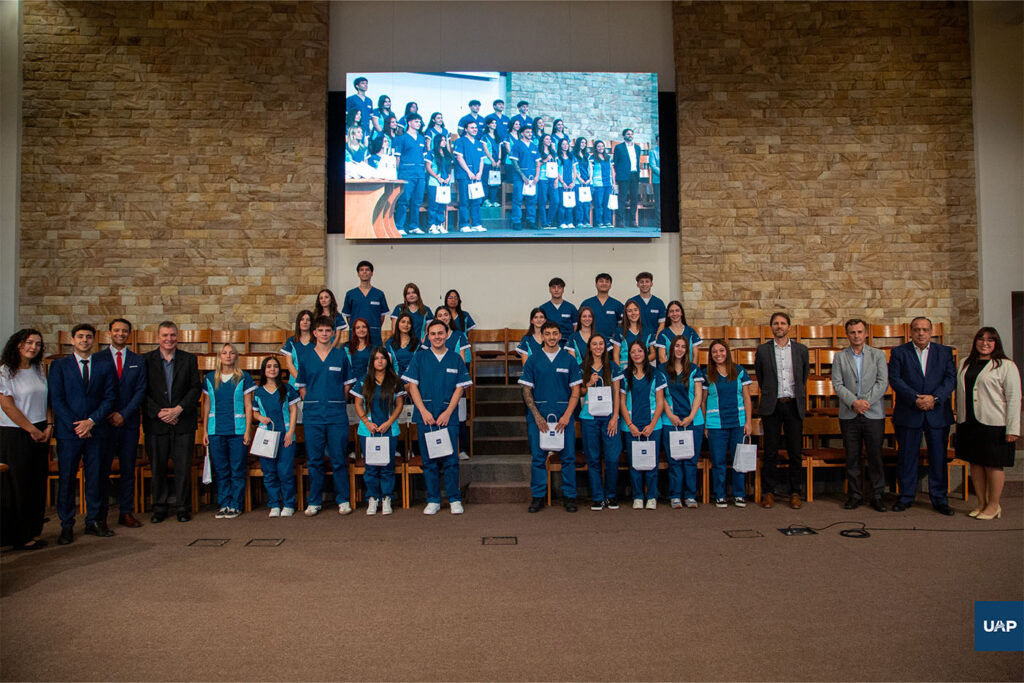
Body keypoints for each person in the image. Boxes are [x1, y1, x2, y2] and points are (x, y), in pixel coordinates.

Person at [49, 324, 117, 544]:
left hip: (96, 431)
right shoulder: (59, 366)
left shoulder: (105, 366)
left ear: (94, 340)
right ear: (72, 340)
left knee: (96, 478)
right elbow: (56, 399)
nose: (84, 340)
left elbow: (109, 398)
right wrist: (77, 426)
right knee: (67, 479)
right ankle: (66, 525)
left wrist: (91, 422)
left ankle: (94, 521)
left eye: (88, 337)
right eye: (80, 336)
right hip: (69, 433)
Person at [402, 319, 472, 515]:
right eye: (433, 334)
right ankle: (433, 499)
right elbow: (412, 386)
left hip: (448, 417)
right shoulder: (420, 357)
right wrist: (423, 411)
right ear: (428, 336)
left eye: (440, 333)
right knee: (429, 460)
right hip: (426, 417)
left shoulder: (455, 359)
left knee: (451, 459)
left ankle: (454, 498)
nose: (437, 337)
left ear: (447, 334)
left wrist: (448, 412)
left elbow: (460, 388)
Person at [888, 316, 957, 515]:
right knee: (907, 457)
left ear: (931, 332)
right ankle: (906, 497)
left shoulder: (944, 352)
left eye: (925, 329)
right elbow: (895, 379)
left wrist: (934, 398)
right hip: (910, 410)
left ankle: (940, 499)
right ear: (910, 332)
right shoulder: (899, 352)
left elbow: (950, 379)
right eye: (917, 329)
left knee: (938, 457)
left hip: (937, 412)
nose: (921, 333)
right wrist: (915, 398)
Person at [955, 327, 1020, 520]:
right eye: (981, 339)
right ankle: (981, 503)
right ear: (975, 341)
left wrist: (1013, 428)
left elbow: (1014, 398)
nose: (985, 343)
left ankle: (994, 505)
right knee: (975, 463)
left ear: (996, 343)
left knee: (993, 465)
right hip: (969, 421)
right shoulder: (964, 363)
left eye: (990, 340)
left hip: (994, 423)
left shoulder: (1006, 366)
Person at [519, 321, 583, 513]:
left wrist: (567, 416)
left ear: (560, 336)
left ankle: (569, 496)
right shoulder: (533, 360)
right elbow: (526, 390)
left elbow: (576, 391)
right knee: (538, 458)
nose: (552, 337)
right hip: (539, 417)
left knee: (568, 457)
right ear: (543, 336)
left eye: (555, 333)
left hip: (564, 417)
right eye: (548, 333)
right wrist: (537, 416)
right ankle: (538, 496)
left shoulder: (569, 360)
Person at [295, 316, 355, 516]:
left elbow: (347, 386)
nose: (324, 334)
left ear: (333, 333)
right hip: (313, 416)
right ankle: (314, 501)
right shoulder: (306, 357)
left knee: (338, 459)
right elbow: (302, 388)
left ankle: (343, 499)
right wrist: (315, 402)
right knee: (314, 460)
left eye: (328, 330)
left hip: (336, 415)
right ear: (314, 333)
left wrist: (336, 401)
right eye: (320, 330)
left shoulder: (340, 356)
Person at [143, 320, 202, 523]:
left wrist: (178, 409)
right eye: (165, 335)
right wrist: (159, 412)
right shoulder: (146, 360)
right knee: (157, 467)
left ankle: (183, 508)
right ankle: (159, 508)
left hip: (182, 421)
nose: (169, 339)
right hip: (156, 423)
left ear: (178, 337)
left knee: (183, 468)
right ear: (158, 337)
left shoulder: (189, 359)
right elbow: (141, 391)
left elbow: (195, 388)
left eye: (173, 335)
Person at [92, 318, 147, 528]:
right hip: (103, 423)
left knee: (127, 470)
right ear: (109, 333)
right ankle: (100, 514)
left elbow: (140, 390)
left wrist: (123, 414)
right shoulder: (97, 359)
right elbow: (94, 390)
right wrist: (107, 414)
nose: (121, 334)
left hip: (128, 422)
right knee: (101, 470)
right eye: (116, 330)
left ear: (129, 334)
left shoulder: (138, 360)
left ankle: (126, 512)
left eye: (124, 331)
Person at [754, 312, 810, 510]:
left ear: (789, 327)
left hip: (793, 404)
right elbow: (761, 377)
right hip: (772, 405)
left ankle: (795, 492)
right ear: (771, 327)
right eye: (776, 323)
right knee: (770, 451)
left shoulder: (801, 350)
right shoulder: (762, 350)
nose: (779, 326)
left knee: (795, 451)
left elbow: (803, 377)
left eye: (783, 323)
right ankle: (769, 492)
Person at [0, 329, 50, 550]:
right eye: (29, 342)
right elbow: (7, 406)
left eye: (37, 344)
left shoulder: (38, 369)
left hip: (40, 430)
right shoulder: (5, 371)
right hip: (15, 432)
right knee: (17, 486)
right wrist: (31, 429)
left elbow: (46, 400)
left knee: (35, 483)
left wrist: (49, 426)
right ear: (18, 344)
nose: (33, 347)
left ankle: (32, 531)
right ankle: (17, 536)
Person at [831, 319, 888, 512]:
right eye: (852, 332)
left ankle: (877, 495)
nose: (856, 335)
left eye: (859, 332)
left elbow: (882, 382)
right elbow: (837, 384)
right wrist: (854, 402)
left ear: (866, 333)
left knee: (875, 456)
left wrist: (865, 402)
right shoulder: (840, 357)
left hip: (873, 413)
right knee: (852, 456)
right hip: (849, 413)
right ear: (847, 334)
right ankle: (855, 495)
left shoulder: (878, 355)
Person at [201, 343, 255, 519]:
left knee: (237, 469)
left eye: (231, 353)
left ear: (236, 356)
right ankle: (224, 503)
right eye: (224, 353)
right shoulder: (210, 378)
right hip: (216, 430)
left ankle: (235, 505)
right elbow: (207, 404)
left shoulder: (244, 377)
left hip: (237, 431)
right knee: (221, 469)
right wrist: (205, 431)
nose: (228, 355)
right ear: (220, 356)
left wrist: (247, 430)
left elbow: (248, 406)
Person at [352, 347, 406, 516]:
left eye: (383, 358)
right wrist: (367, 422)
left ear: (387, 361)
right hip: (368, 431)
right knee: (371, 467)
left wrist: (389, 422)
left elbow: (399, 405)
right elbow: (358, 404)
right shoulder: (363, 381)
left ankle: (387, 497)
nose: (380, 361)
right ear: (372, 362)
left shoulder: (395, 381)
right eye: (376, 358)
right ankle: (373, 498)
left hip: (389, 430)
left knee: (387, 466)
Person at [704, 339, 753, 508]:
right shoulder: (706, 374)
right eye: (714, 352)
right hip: (715, 424)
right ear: (711, 355)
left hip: (738, 422)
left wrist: (748, 422)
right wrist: (705, 424)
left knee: (739, 460)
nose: (718, 354)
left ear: (727, 352)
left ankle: (739, 494)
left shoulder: (739, 371)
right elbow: (703, 401)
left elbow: (746, 398)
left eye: (721, 350)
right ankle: (720, 495)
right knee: (718, 461)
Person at [620, 340, 666, 509]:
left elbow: (660, 402)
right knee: (635, 462)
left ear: (646, 353)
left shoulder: (656, 374)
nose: (636, 354)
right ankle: (638, 496)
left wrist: (652, 425)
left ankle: (652, 496)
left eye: (640, 351)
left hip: (653, 426)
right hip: (631, 426)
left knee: (651, 462)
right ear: (629, 355)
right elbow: (622, 402)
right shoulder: (624, 376)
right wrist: (630, 424)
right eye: (633, 352)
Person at [661, 335, 706, 509]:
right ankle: (675, 495)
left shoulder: (694, 369)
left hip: (693, 421)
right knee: (674, 460)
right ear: (671, 348)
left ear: (687, 350)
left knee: (690, 460)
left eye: (683, 346)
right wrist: (671, 415)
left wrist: (690, 417)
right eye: (677, 346)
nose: (679, 349)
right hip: (670, 421)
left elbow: (699, 396)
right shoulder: (662, 369)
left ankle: (690, 495)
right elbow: (660, 396)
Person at [579, 334, 622, 510]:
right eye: (594, 344)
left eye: (601, 344)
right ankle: (598, 497)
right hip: (589, 418)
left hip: (609, 418)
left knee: (612, 458)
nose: (598, 347)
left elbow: (618, 394)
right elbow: (579, 392)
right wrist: (589, 383)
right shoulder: (582, 367)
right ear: (589, 347)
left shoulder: (613, 367)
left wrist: (615, 417)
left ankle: (611, 496)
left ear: (605, 347)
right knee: (593, 458)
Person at [252, 356, 300, 517]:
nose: (272, 369)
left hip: (285, 435)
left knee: (285, 471)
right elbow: (254, 412)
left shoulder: (287, 389)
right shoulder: (258, 392)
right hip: (266, 436)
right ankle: (274, 504)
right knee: (269, 472)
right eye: (269, 366)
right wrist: (260, 418)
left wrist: (291, 431)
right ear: (264, 370)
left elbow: (294, 410)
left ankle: (288, 504)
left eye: (275, 366)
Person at [393, 113, 429, 235]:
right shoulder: (402, 138)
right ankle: (399, 226)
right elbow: (397, 158)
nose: (418, 124)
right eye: (416, 121)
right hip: (407, 173)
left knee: (417, 201)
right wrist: (400, 173)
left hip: (420, 174)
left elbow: (424, 157)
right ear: (409, 122)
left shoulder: (422, 139)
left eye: (419, 122)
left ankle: (414, 226)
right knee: (404, 201)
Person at [342, 260, 389, 347]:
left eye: (367, 270)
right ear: (358, 274)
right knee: (356, 353)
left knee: (375, 354)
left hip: (374, 334)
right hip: (356, 335)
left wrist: (374, 327)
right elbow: (348, 317)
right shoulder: (350, 294)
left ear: (372, 273)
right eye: (361, 270)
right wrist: (358, 328)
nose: (364, 272)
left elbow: (382, 316)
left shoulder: (379, 294)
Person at [453, 120, 486, 233]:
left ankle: (476, 224)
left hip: (477, 176)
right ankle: (464, 224)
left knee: (476, 200)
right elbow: (459, 158)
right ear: (466, 129)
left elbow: (481, 160)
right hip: (465, 176)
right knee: (464, 200)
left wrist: (480, 172)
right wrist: (469, 172)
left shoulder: (478, 143)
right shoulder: (460, 141)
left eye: (476, 127)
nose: (475, 129)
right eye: (472, 128)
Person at [508, 125, 540, 230]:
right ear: (522, 133)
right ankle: (516, 221)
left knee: (532, 199)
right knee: (518, 199)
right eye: (527, 132)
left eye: (531, 132)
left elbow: (537, 163)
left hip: (532, 177)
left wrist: (537, 176)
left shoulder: (534, 146)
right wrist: (522, 175)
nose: (530, 134)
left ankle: (531, 221)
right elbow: (514, 162)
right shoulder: (517, 145)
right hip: (520, 177)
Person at [655, 301, 702, 366]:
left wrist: (692, 370)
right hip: (670, 371)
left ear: (681, 313)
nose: (674, 314)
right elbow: (662, 358)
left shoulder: (691, 331)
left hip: (689, 370)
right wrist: (670, 371)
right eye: (671, 311)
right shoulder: (663, 334)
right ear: (668, 314)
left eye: (677, 310)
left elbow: (696, 356)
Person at [580, 272, 624, 341]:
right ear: (596, 285)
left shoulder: (617, 305)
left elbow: (621, 325)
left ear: (610, 285)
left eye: (607, 282)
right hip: (591, 341)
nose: (604, 283)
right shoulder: (587, 303)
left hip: (611, 342)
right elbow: (580, 323)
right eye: (601, 281)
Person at [612, 128, 641, 228]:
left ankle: (633, 221)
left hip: (634, 174)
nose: (630, 135)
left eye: (631, 134)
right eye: (628, 134)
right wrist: (619, 173)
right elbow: (615, 163)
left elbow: (637, 162)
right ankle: (620, 221)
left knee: (634, 198)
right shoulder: (619, 147)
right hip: (623, 175)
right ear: (624, 136)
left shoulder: (637, 147)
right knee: (622, 198)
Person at [426, 132, 454, 234]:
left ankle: (440, 224)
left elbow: (450, 168)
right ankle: (432, 225)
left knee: (442, 204)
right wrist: (437, 177)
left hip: (445, 183)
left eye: (445, 140)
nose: (444, 142)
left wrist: (448, 177)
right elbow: (428, 167)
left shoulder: (447, 154)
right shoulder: (431, 153)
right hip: (434, 182)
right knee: (434, 204)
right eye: (442, 140)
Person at [281, 309, 314, 392]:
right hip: (295, 384)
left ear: (312, 323)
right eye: (302, 319)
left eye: (308, 320)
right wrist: (301, 381)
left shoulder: (317, 341)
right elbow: (289, 364)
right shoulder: (291, 341)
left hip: (313, 384)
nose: (305, 322)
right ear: (298, 322)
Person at [627, 271, 666, 337]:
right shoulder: (631, 302)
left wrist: (657, 337)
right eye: (641, 282)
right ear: (638, 285)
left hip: (654, 338)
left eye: (647, 281)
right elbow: (626, 321)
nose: (644, 284)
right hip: (636, 338)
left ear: (651, 284)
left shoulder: (659, 303)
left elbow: (662, 323)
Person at [539, 277, 578, 342]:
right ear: (549, 290)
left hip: (567, 342)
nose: (556, 290)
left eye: (559, 287)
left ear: (563, 290)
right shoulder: (543, 308)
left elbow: (576, 326)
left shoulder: (571, 307)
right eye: (553, 287)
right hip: (549, 342)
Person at [617, 300, 654, 368]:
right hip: (625, 369)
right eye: (629, 311)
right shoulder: (619, 331)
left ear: (639, 311)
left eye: (635, 310)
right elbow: (615, 355)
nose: (633, 313)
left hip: (643, 368)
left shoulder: (648, 331)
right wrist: (619, 372)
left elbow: (653, 353)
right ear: (625, 313)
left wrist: (640, 362)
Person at [590, 140, 616, 228]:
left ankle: (607, 221)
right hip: (598, 184)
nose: (601, 148)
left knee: (607, 203)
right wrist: (591, 182)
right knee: (599, 204)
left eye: (602, 146)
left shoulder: (608, 157)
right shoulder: (592, 158)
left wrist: (614, 183)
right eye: (598, 146)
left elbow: (612, 171)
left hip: (608, 183)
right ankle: (599, 222)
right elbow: (591, 170)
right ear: (595, 148)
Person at [535, 133, 558, 229]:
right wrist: (545, 160)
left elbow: (556, 165)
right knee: (543, 201)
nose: (549, 141)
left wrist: (556, 179)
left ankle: (549, 221)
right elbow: (537, 164)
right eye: (547, 139)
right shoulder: (539, 151)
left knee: (555, 200)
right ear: (543, 140)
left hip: (552, 178)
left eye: (550, 139)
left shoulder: (553, 152)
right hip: (543, 178)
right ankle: (544, 223)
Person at [387, 312, 420, 377]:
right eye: (403, 322)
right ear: (398, 324)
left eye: (409, 323)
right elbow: (388, 365)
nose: (406, 325)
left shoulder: (417, 343)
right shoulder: (390, 342)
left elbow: (419, 364)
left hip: (412, 379)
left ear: (411, 326)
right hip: (396, 379)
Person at [481, 117, 502, 207]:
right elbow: (485, 150)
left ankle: (494, 200)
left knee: (495, 181)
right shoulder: (484, 137)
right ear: (488, 124)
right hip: (487, 162)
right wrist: (492, 160)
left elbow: (500, 149)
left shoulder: (498, 137)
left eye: (495, 123)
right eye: (492, 123)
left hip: (497, 163)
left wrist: (499, 160)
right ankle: (485, 200)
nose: (494, 124)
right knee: (485, 181)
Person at [555, 137, 576, 228]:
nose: (565, 146)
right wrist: (562, 182)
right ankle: (561, 222)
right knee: (562, 204)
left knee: (570, 203)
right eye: (563, 144)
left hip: (570, 183)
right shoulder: (557, 157)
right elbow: (556, 171)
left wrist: (573, 182)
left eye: (567, 144)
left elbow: (574, 171)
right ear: (560, 146)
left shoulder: (571, 156)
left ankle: (569, 221)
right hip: (561, 184)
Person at [572, 137, 592, 228]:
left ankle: (586, 221)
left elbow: (591, 167)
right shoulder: (573, 154)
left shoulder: (587, 155)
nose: (583, 144)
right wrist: (580, 179)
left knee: (586, 203)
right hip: (578, 181)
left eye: (584, 143)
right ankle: (579, 221)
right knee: (579, 203)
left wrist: (589, 178)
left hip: (587, 181)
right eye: (581, 142)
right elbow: (574, 169)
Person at [345, 318, 373, 384]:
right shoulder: (346, 347)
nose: (361, 330)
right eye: (358, 327)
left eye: (364, 327)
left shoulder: (373, 348)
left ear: (368, 329)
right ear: (354, 330)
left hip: (367, 383)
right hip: (349, 383)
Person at [649, 134, 661, 224]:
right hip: (658, 180)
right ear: (657, 141)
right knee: (658, 201)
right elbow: (653, 166)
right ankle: (659, 222)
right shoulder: (653, 152)